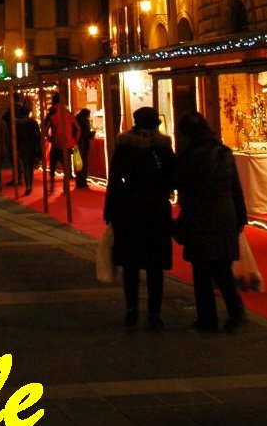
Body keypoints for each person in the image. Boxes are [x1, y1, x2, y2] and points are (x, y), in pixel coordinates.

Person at [172, 110, 248, 332]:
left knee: (202, 271)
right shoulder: (224, 152)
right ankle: (234, 310)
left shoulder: (191, 156)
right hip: (225, 213)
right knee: (222, 268)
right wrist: (240, 216)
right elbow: (236, 188)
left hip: (201, 214)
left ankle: (208, 318)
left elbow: (179, 181)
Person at [103, 106, 176, 330]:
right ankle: (155, 312)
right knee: (155, 266)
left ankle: (132, 310)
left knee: (131, 265)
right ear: (155, 123)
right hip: (156, 210)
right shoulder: (162, 148)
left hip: (129, 210)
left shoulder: (125, 146)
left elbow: (114, 179)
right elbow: (173, 178)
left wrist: (110, 209)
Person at [43, 92, 79, 188]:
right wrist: (75, 141)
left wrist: (49, 138)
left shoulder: (52, 114)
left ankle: (52, 183)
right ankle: (65, 186)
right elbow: (78, 128)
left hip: (56, 143)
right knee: (66, 167)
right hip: (67, 143)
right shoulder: (68, 113)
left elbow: (45, 130)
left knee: (53, 165)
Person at [14, 98, 42, 195]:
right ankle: (30, 184)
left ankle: (28, 185)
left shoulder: (17, 124)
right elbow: (38, 135)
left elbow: (15, 136)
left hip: (22, 146)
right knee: (30, 167)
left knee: (26, 166)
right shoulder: (32, 122)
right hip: (32, 146)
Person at [75, 107, 94, 188]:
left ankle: (78, 180)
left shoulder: (76, 119)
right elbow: (86, 133)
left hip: (77, 142)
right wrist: (92, 134)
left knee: (78, 162)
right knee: (84, 161)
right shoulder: (85, 121)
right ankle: (83, 181)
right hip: (84, 142)